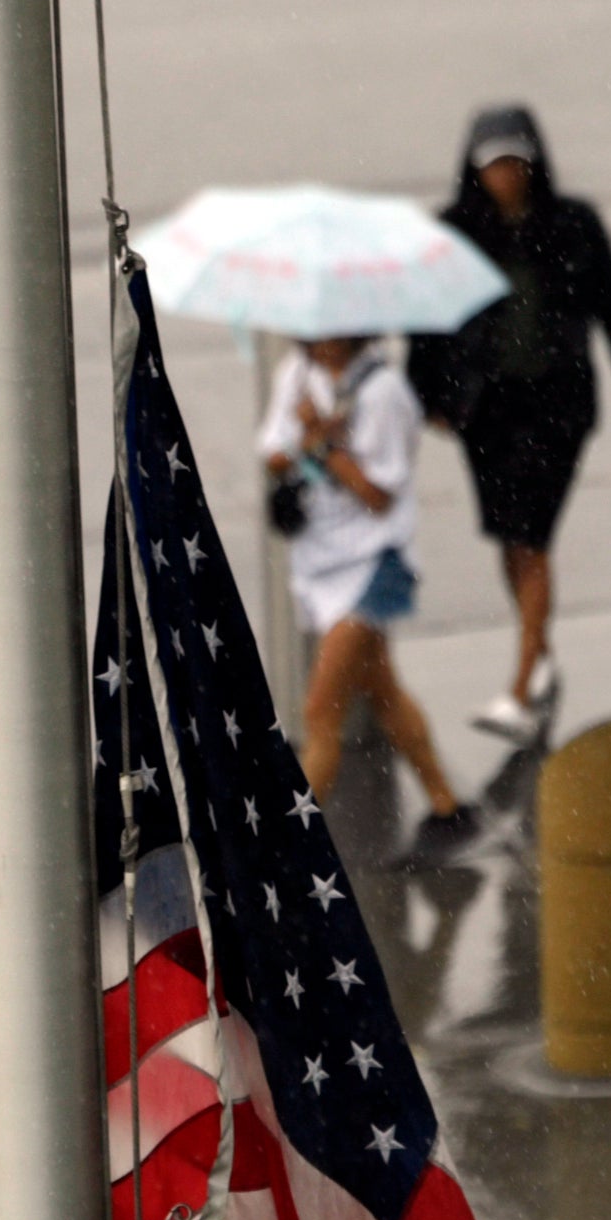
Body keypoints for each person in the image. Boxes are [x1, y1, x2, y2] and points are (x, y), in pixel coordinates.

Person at [409, 105, 611, 745]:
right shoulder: (453, 230)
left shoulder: (573, 224)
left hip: (557, 407)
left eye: (515, 161)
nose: (506, 174)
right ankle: (541, 652)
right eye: (494, 164)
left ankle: (521, 685)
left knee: (533, 537)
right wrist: (426, 397)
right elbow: (425, 319)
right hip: (485, 411)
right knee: (510, 538)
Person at [259, 333, 483, 868]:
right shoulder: (297, 374)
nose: (308, 340)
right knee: (384, 693)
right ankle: (448, 808)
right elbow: (273, 456)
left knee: (319, 712)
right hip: (321, 564)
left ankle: (286, 853)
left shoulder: (384, 393)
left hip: (373, 567)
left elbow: (379, 494)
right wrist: (308, 437)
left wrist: (327, 447)